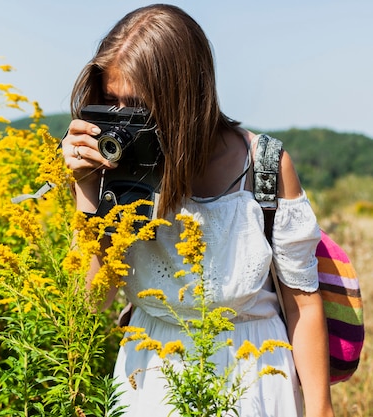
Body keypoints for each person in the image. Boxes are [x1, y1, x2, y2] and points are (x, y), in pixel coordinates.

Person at [61, 4, 334, 416]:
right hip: (151, 377)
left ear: (185, 97)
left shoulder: (264, 166)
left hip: (254, 380)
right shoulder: (114, 168)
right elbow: (89, 304)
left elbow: (303, 304)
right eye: (110, 101)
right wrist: (86, 189)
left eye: (136, 105)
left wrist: (321, 410)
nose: (121, 120)